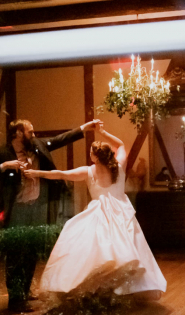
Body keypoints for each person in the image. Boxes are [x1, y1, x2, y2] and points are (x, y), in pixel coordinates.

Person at [24, 123, 167, 301]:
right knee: (124, 247)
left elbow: (60, 174)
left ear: (96, 158)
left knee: (95, 250)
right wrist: (103, 131)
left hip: (100, 213)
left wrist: (36, 173)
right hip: (121, 212)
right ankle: (112, 289)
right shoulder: (119, 167)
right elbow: (121, 145)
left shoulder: (89, 171)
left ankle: (100, 289)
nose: (89, 155)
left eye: (91, 153)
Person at [0, 118, 100, 312]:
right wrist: (5, 166)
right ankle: (15, 300)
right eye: (30, 132)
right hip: (16, 209)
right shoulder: (0, 153)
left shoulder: (37, 146)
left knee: (32, 251)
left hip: (37, 207)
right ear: (17, 133)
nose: (33, 135)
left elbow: (61, 139)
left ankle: (24, 292)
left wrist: (85, 128)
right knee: (16, 254)